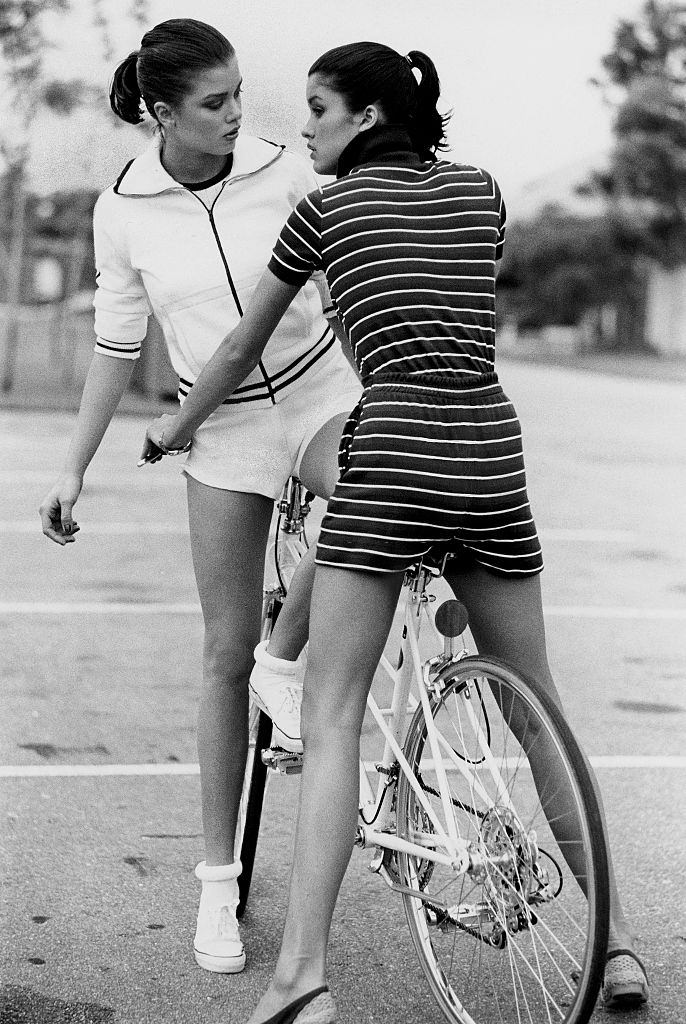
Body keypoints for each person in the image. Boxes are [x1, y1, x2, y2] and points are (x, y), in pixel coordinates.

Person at [142, 41, 649, 1024]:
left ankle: (299, 978)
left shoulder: (320, 213)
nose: (306, 130)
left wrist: (175, 427)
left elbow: (245, 345)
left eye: (321, 111)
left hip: (394, 453)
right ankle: (617, 941)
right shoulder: (481, 192)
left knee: (328, 720)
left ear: (366, 118)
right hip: (490, 454)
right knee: (535, 708)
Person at [38, 18, 362, 979]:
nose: (236, 117)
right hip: (214, 430)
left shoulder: (285, 172)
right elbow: (113, 345)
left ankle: (285, 652)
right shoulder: (123, 207)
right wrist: (74, 466)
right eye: (214, 102)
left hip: (315, 396)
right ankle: (217, 888)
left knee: (371, 499)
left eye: (237, 96)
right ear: (161, 111)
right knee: (218, 656)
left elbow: (353, 280)